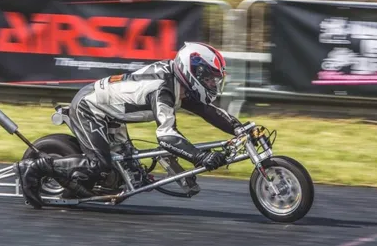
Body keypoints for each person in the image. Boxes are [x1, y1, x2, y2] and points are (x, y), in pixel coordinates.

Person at [13, 42, 242, 208]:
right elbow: (166, 135)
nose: (213, 84)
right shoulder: (162, 88)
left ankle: (82, 181)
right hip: (90, 107)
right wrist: (201, 158)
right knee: (100, 163)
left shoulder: (177, 81)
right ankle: (35, 168)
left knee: (126, 177)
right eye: (210, 78)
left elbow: (206, 110)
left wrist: (239, 128)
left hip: (111, 114)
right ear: (195, 72)